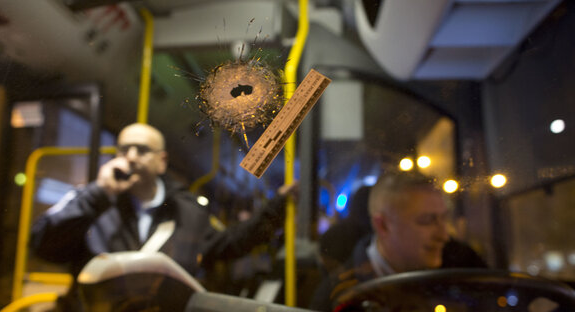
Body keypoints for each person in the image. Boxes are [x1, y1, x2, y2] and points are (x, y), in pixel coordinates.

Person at [30, 123, 294, 310]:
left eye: (142, 150)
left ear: (162, 161)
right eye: (123, 150)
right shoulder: (94, 203)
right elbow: (43, 245)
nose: (131, 157)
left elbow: (229, 244)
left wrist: (276, 207)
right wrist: (99, 193)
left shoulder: (187, 212)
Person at [309, 172, 485, 311]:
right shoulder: (338, 297)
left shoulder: (464, 263)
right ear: (383, 225)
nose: (443, 235)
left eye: (444, 218)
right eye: (427, 220)